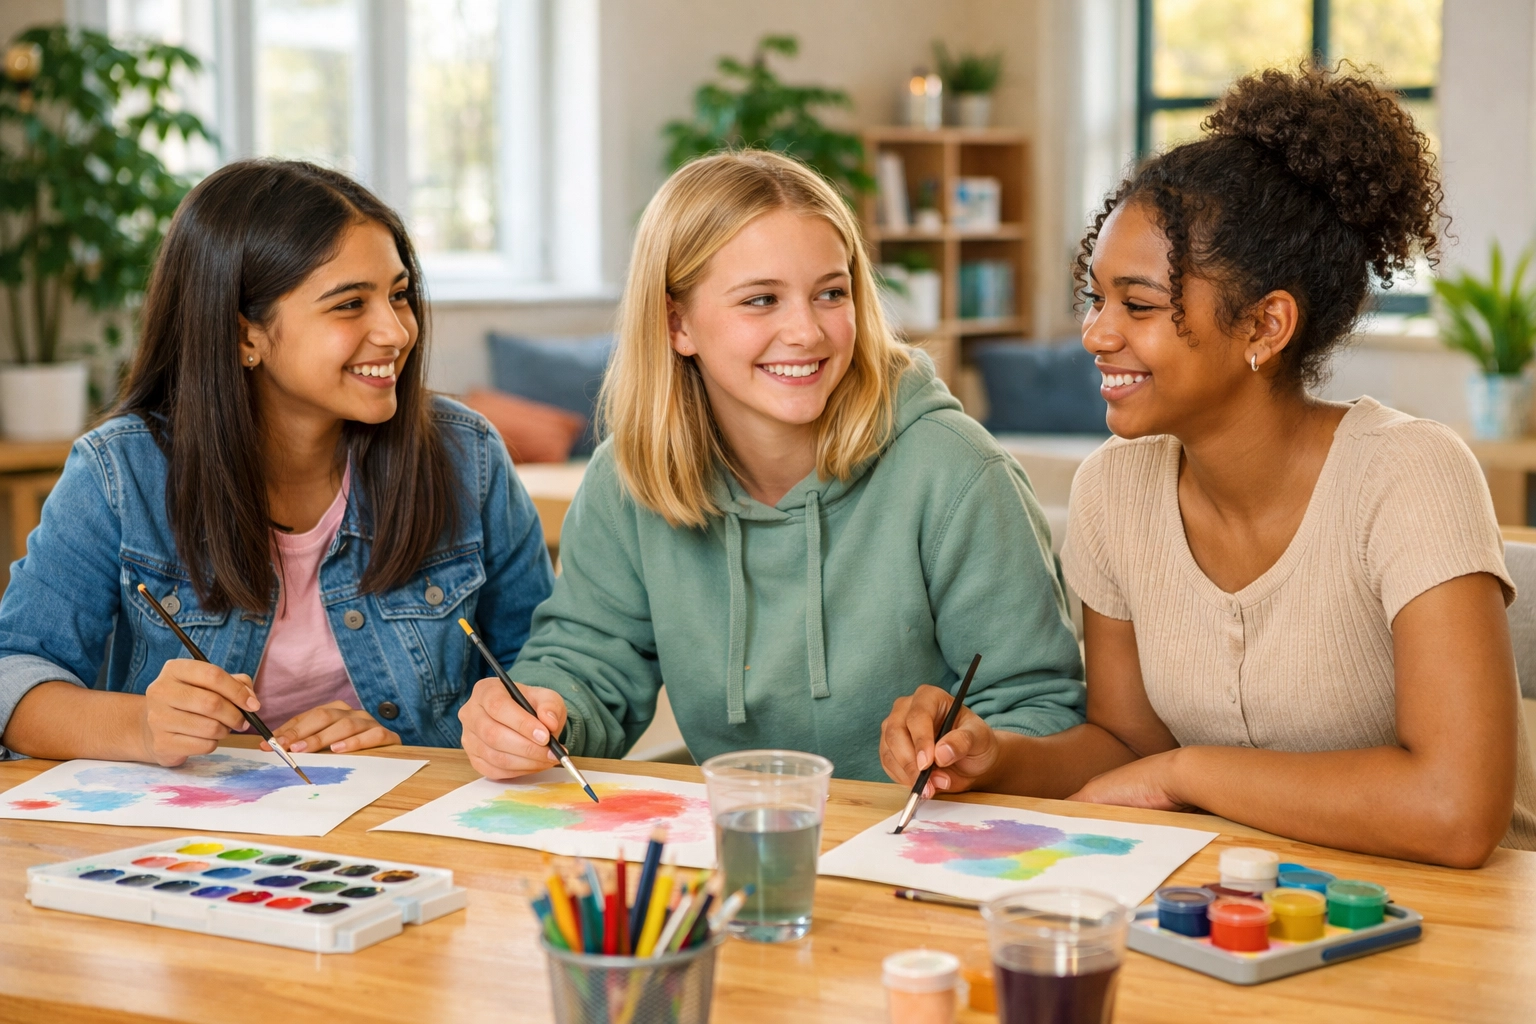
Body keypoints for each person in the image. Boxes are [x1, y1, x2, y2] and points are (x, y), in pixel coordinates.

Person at [879, 65, 1536, 865]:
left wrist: (1189, 774)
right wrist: (995, 757)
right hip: (1224, 912)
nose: (1096, 333)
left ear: (1265, 326)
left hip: (1444, 926)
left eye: (1139, 305)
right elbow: (1126, 747)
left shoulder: (1410, 477)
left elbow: (1457, 810)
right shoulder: (1115, 490)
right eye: (1095, 299)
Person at [458, 150, 1085, 782]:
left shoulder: (957, 471)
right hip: (743, 840)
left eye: (830, 294)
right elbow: (585, 666)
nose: (807, 332)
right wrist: (534, 717)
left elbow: (1041, 709)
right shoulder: (627, 480)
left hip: (924, 849)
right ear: (678, 324)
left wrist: (982, 751)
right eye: (761, 299)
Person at [0, 160, 553, 764]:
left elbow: (542, 667)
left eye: (398, 295)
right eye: (349, 305)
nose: (395, 332)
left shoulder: (464, 455)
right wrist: (140, 726)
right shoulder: (120, 473)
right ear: (244, 337)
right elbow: (14, 676)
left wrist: (423, 745)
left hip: (401, 831)